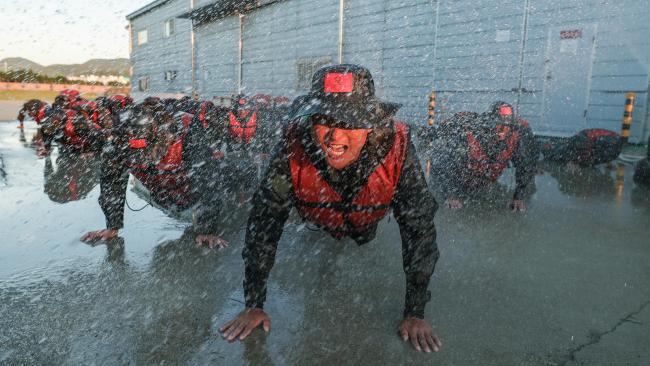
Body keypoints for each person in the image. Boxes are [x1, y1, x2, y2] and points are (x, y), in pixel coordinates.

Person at [219, 64, 442, 353]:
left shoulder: (397, 148)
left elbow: (419, 229)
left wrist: (415, 312)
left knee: (364, 236)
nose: (335, 137)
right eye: (324, 120)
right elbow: (264, 222)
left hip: (366, 224)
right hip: (319, 221)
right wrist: (253, 304)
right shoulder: (292, 145)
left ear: (371, 121)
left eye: (350, 122)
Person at [80, 97, 226, 249]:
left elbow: (210, 179)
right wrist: (112, 227)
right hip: (167, 196)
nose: (141, 161)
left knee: (233, 172)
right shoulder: (117, 144)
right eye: (134, 154)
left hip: (197, 188)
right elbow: (111, 185)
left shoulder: (189, 135)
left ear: (161, 135)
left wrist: (207, 229)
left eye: (145, 152)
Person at [430, 102, 538, 211]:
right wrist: (449, 194)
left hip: (480, 183)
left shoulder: (517, 131)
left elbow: (525, 166)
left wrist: (518, 197)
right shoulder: (469, 130)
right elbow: (442, 161)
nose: (502, 131)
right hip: (453, 182)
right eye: (499, 125)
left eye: (507, 127)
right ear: (489, 124)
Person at [540, 128, 623, 166]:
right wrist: (574, 161)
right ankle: (545, 148)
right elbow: (582, 149)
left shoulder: (614, 145)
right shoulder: (611, 142)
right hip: (583, 137)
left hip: (585, 138)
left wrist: (608, 163)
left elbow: (604, 154)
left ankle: (548, 148)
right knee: (561, 152)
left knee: (563, 148)